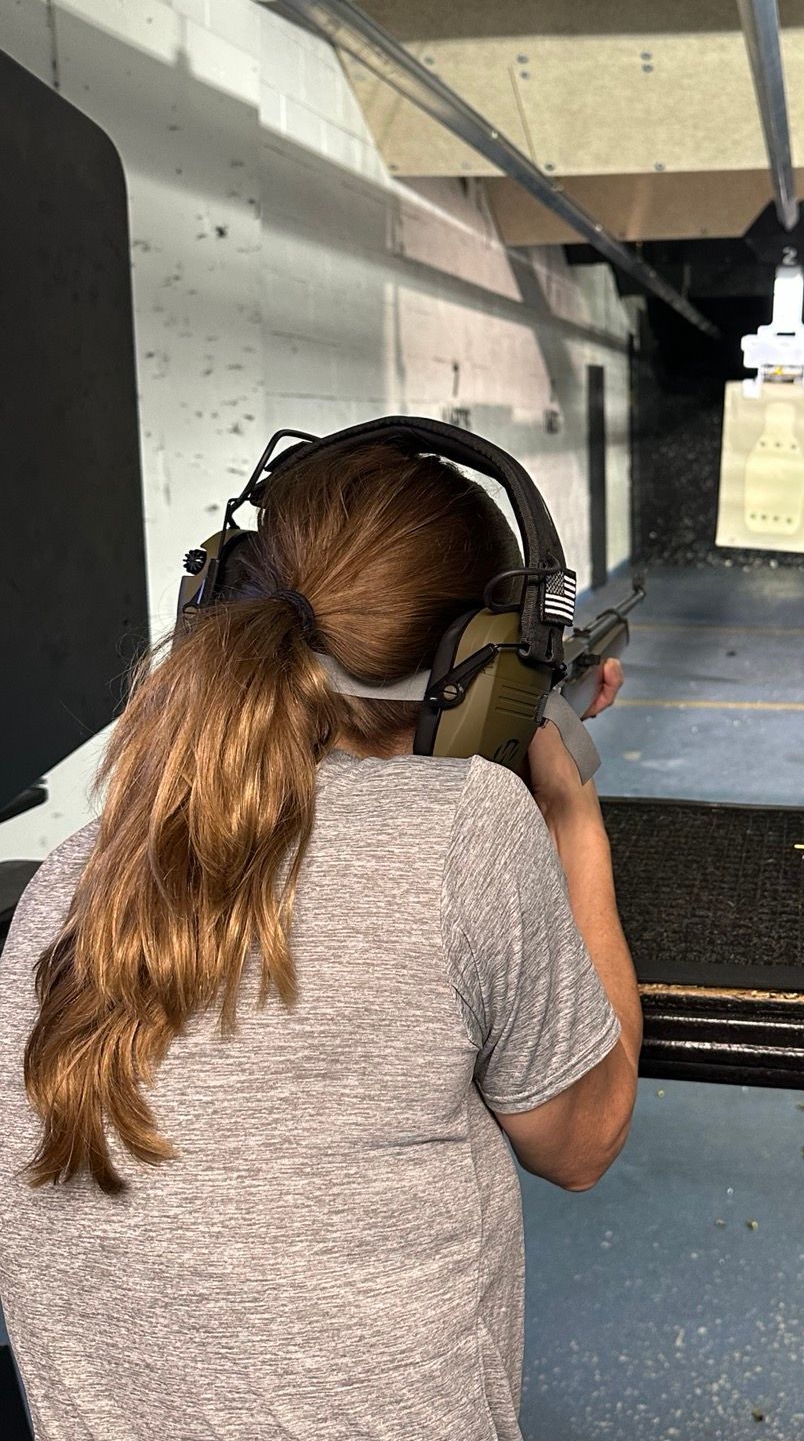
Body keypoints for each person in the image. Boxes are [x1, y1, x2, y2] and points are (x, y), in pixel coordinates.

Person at [0, 438, 641, 1441]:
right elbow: (585, 1140)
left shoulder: (70, 874)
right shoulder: (473, 827)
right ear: (488, 672)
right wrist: (567, 801)